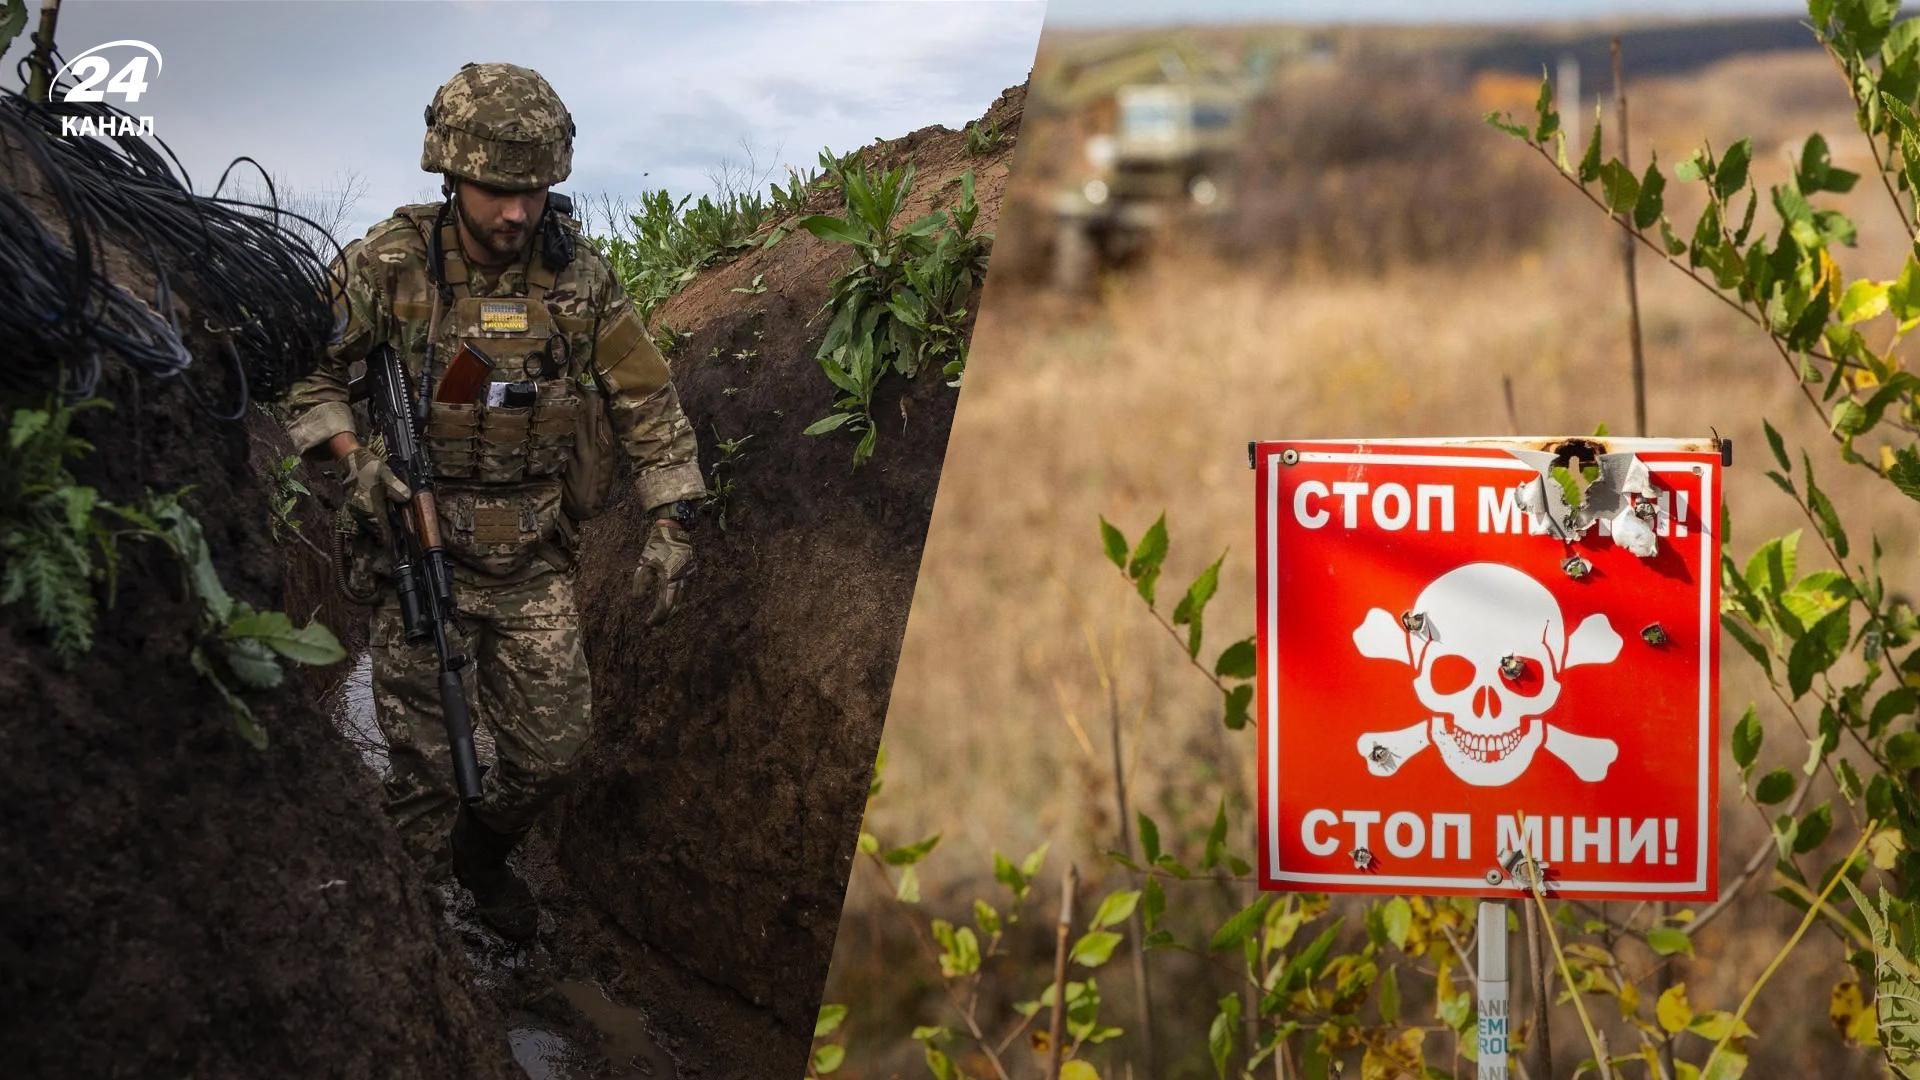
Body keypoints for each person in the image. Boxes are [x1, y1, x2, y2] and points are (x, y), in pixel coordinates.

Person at [280, 62, 704, 941]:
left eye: (536, 191)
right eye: (498, 191)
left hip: (532, 558)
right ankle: (418, 950)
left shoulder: (583, 281)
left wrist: (672, 512)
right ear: (450, 173)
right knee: (427, 775)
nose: (518, 212)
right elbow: (305, 369)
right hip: (414, 546)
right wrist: (356, 459)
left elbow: (645, 400)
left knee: (552, 754)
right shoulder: (389, 266)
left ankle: (482, 857)